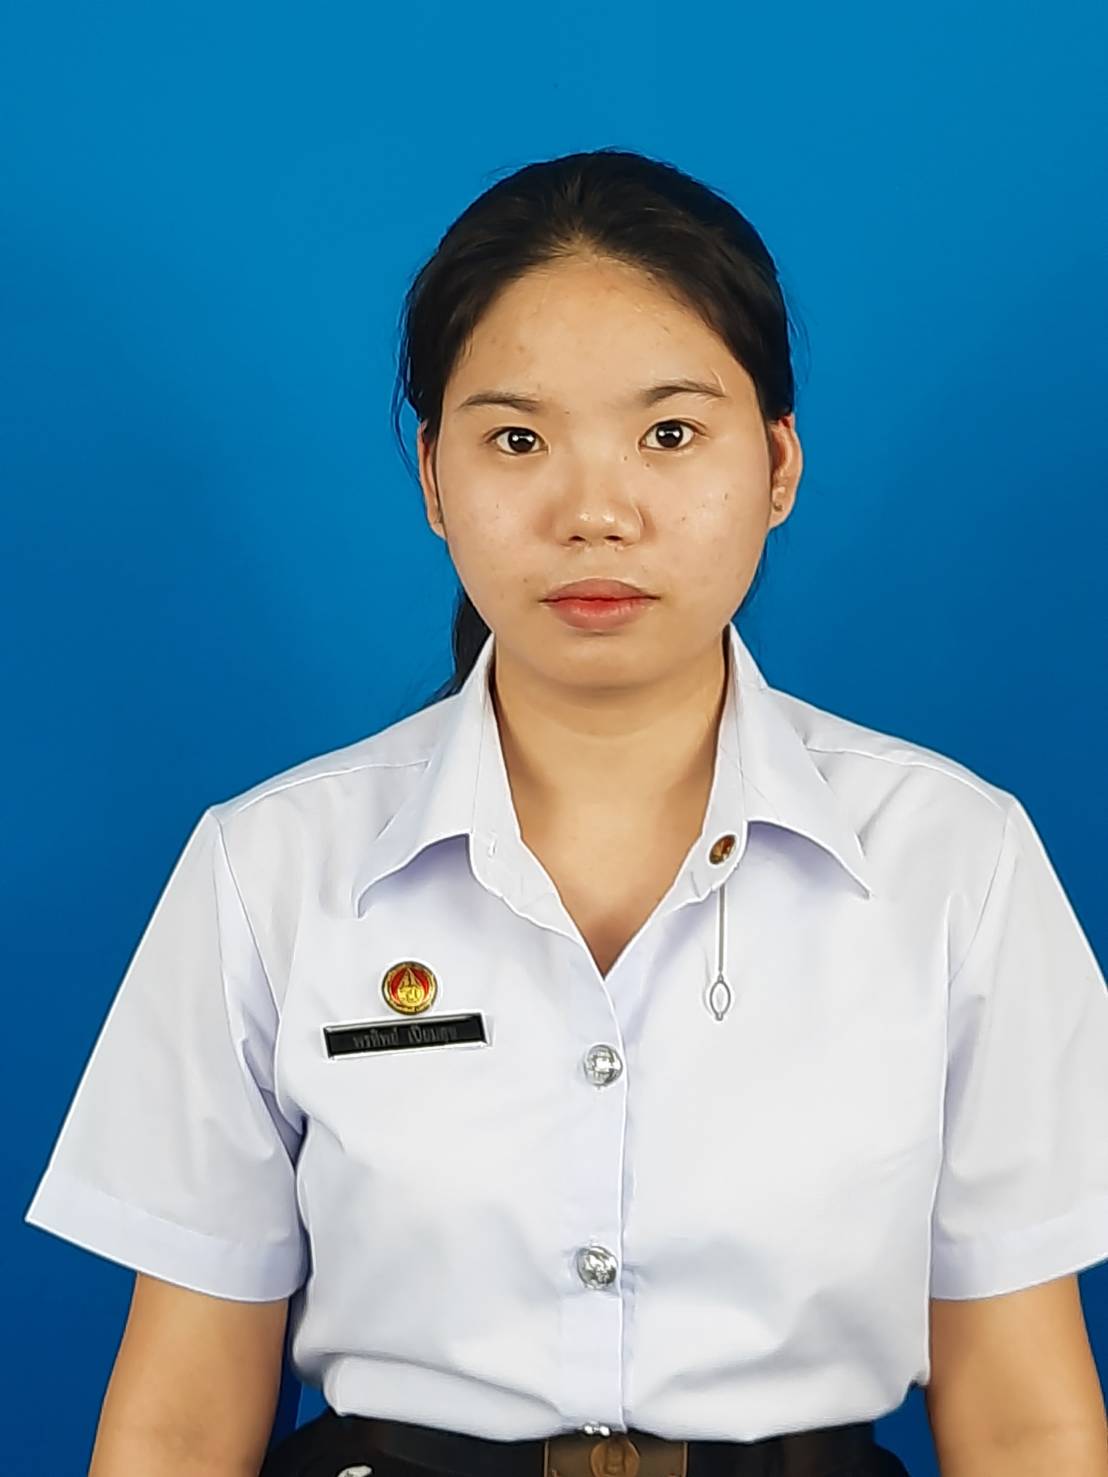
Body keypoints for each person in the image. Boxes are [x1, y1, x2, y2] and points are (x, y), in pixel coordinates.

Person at [23, 148, 1108, 1477]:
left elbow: (1024, 1417)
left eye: (670, 434)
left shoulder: (956, 861)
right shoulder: (270, 868)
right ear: (434, 477)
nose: (595, 513)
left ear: (778, 464)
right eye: (519, 440)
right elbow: (182, 1421)